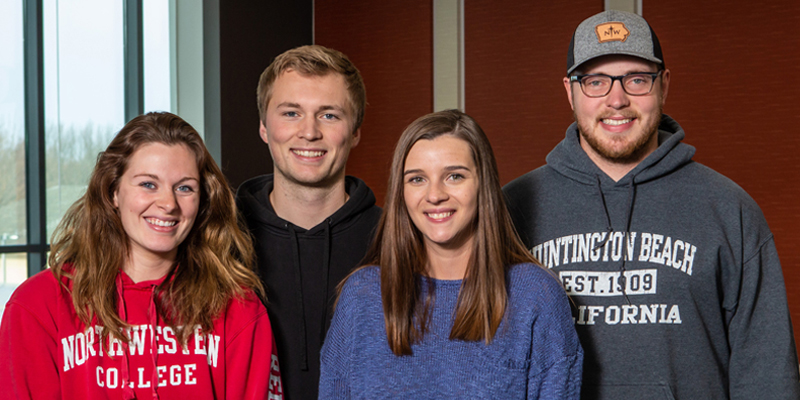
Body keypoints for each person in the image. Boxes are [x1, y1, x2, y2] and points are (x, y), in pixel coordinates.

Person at [503, 10, 800, 399]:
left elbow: (767, 376)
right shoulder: (511, 208)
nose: (617, 99)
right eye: (595, 81)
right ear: (569, 91)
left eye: (637, 79)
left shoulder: (730, 210)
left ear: (664, 86)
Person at [0, 112, 283, 399]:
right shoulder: (38, 306)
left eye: (184, 188)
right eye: (148, 184)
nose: (168, 204)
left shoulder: (237, 309)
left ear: (203, 201)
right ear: (113, 192)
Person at [319, 110, 583, 398]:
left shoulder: (536, 294)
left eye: (454, 176)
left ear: (483, 184)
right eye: (417, 179)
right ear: (400, 193)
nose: (435, 195)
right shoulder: (361, 295)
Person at [236, 45, 381, 400]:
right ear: (264, 127)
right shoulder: (220, 241)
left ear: (356, 131)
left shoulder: (394, 239)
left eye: (329, 115)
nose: (309, 132)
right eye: (291, 113)